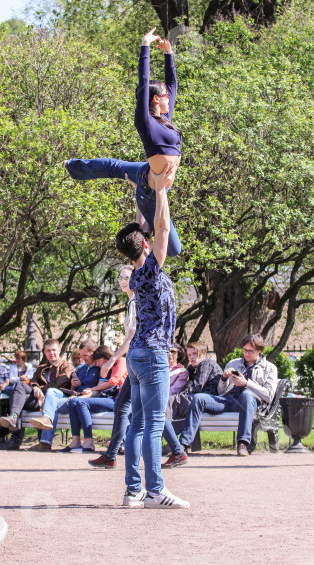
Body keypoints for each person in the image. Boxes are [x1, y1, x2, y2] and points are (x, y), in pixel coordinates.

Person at [64, 28, 182, 257]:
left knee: (114, 166)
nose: (171, 97)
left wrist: (169, 55)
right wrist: (145, 46)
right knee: (174, 250)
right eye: (166, 95)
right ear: (156, 99)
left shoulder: (164, 120)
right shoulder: (146, 122)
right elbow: (144, 81)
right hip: (150, 190)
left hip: (148, 173)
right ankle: (71, 166)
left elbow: (173, 85)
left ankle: (72, 166)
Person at [115, 163, 189, 509]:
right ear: (144, 245)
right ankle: (156, 490)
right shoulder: (152, 269)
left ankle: (133, 490)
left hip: (137, 354)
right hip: (156, 354)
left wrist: (140, 187)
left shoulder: (133, 275)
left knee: (138, 424)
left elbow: (145, 224)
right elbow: (160, 225)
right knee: (153, 424)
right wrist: (160, 188)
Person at [175, 334, 278, 459]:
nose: (246, 354)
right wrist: (223, 379)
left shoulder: (270, 368)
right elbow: (220, 391)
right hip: (227, 400)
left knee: (247, 394)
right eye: (244, 350)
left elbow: (269, 395)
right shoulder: (234, 363)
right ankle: (183, 445)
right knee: (199, 398)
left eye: (250, 351)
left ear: (260, 350)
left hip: (249, 403)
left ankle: (243, 444)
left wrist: (246, 383)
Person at [89, 264, 136, 469]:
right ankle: (111, 454)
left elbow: (130, 338)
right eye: (120, 277)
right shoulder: (131, 302)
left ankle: (111, 455)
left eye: (126, 277)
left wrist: (111, 360)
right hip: (137, 361)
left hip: (138, 361)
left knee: (137, 409)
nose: (122, 280)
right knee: (124, 406)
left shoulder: (136, 302)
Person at [0, 339, 75, 450]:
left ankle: (15, 438)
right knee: (19, 386)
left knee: (17, 398)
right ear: (44, 352)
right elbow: (32, 381)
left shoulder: (67, 366)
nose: (51, 353)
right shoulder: (41, 367)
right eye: (48, 350)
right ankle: (13, 418)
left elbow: (58, 385)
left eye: (54, 350)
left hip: (54, 401)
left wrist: (39, 388)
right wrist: (34, 387)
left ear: (59, 350)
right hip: (38, 400)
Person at [30, 339, 100, 449]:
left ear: (94, 352)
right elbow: (73, 389)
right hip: (73, 398)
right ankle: (45, 428)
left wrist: (84, 394)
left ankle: (45, 443)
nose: (82, 358)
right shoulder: (81, 368)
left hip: (88, 400)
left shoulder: (100, 368)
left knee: (52, 404)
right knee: (51, 394)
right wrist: (73, 385)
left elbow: (101, 388)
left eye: (85, 355)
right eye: (81, 356)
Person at [162, 341, 222, 468]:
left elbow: (197, 386)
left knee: (167, 403)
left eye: (195, 354)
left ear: (204, 353)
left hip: (211, 400)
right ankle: (174, 444)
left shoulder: (206, 363)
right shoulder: (195, 368)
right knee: (167, 404)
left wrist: (180, 396)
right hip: (197, 400)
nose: (192, 357)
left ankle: (172, 444)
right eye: (189, 355)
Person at [59, 345, 127, 453]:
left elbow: (113, 381)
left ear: (106, 357)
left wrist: (92, 388)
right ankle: (76, 441)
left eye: (99, 361)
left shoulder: (121, 361)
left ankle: (89, 443)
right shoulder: (109, 367)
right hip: (113, 399)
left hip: (121, 401)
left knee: (80, 402)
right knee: (73, 401)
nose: (98, 364)